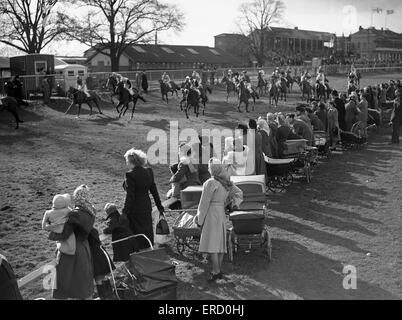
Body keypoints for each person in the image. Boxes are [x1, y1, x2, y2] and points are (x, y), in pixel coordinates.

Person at [195, 158, 243, 282]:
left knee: (212, 245)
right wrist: (232, 204)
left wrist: (199, 220)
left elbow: (204, 203)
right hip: (220, 213)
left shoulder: (210, 183)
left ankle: (216, 271)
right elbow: (239, 193)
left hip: (211, 213)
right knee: (220, 244)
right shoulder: (225, 182)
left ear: (211, 169)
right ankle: (217, 270)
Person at [48, 185, 96, 300]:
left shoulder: (75, 214)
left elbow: (65, 234)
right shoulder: (91, 211)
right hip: (85, 247)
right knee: (83, 282)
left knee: (66, 281)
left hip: (73, 250)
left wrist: (51, 234)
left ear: (77, 197)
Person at [122, 149, 165, 249]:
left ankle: (140, 255)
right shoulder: (149, 171)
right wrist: (159, 205)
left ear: (130, 161)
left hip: (135, 209)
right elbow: (154, 190)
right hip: (146, 206)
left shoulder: (130, 175)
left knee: (137, 234)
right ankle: (149, 250)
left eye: (127, 161)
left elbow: (130, 196)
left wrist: (125, 211)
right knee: (147, 231)